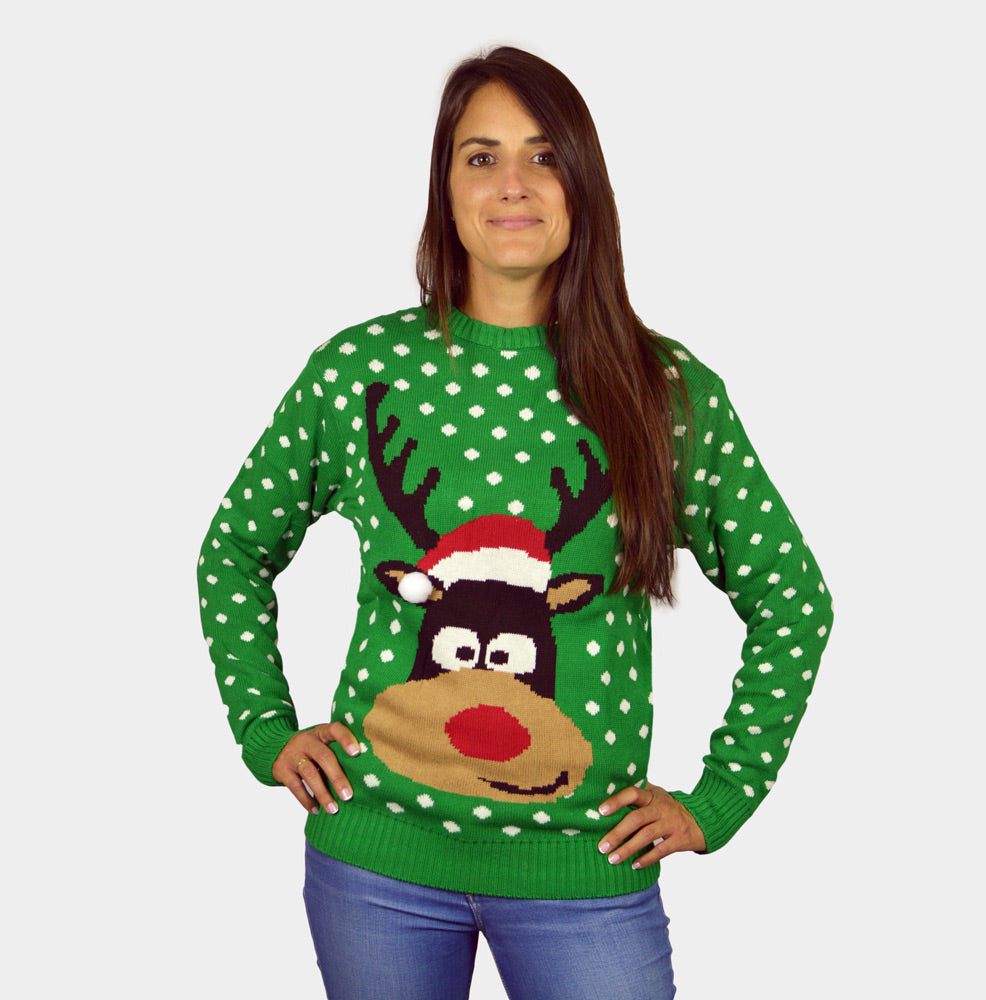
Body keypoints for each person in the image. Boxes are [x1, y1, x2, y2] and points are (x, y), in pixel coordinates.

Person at [197, 45, 833, 1000]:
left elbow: (793, 599)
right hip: (375, 863)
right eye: (481, 156)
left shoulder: (663, 390)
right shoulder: (359, 372)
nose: (513, 186)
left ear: (582, 184)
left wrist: (721, 798)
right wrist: (265, 730)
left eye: (543, 156)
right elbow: (235, 550)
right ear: (446, 188)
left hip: (585, 871)